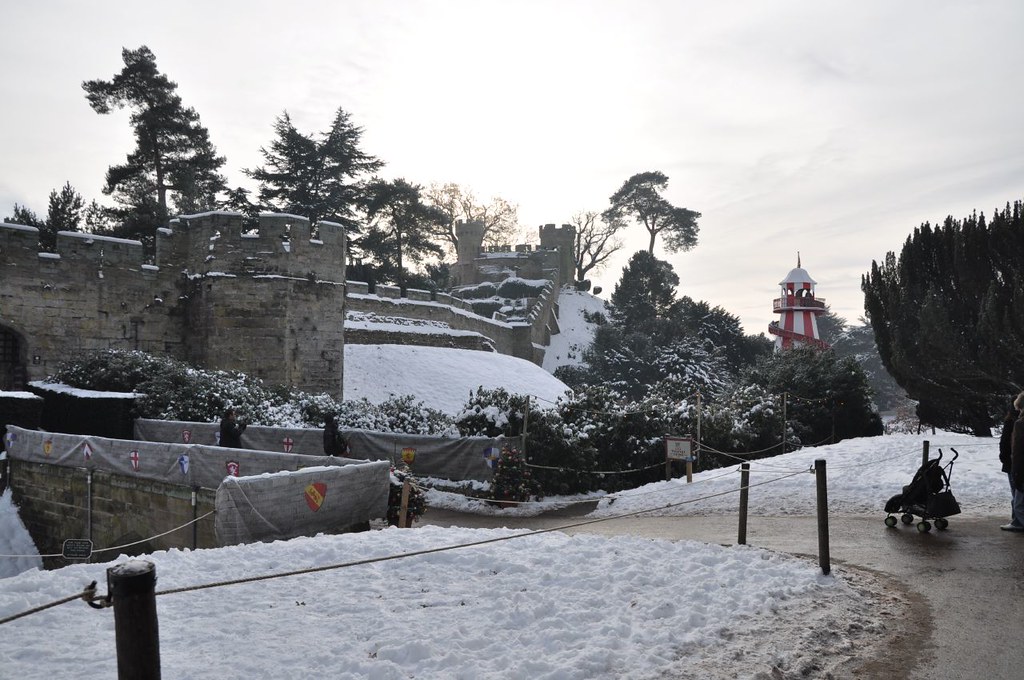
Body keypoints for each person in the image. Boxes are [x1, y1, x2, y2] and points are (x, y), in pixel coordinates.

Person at [1004, 392, 1024, 532]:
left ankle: (1019, 523)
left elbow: (1017, 450)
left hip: (1021, 468)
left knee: (1019, 504)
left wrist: (1015, 471)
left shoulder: (1020, 424)